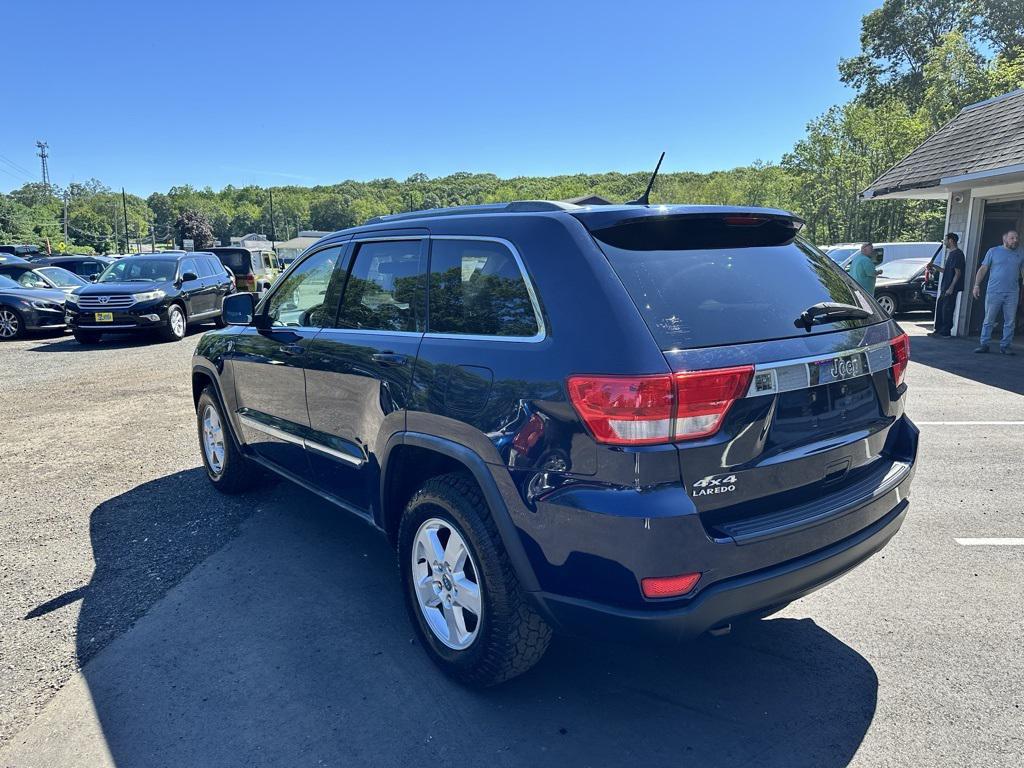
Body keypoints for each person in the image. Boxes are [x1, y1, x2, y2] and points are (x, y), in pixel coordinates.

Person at [973, 229, 1023, 355]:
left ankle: (1005, 346)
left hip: (1012, 292)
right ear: (1004, 239)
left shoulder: (1021, 252)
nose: (1015, 240)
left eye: (1017, 238)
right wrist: (976, 285)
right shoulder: (993, 251)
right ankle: (984, 344)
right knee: (989, 319)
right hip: (994, 291)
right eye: (1012, 238)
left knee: (1010, 321)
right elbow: (983, 268)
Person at [929, 233, 965, 337]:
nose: (944, 242)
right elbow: (947, 271)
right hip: (945, 286)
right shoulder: (951, 254)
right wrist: (934, 266)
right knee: (941, 307)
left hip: (950, 287)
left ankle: (945, 332)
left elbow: (958, 273)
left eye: (945, 240)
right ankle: (939, 330)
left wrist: (951, 287)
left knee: (947, 309)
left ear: (951, 240)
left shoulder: (957, 254)